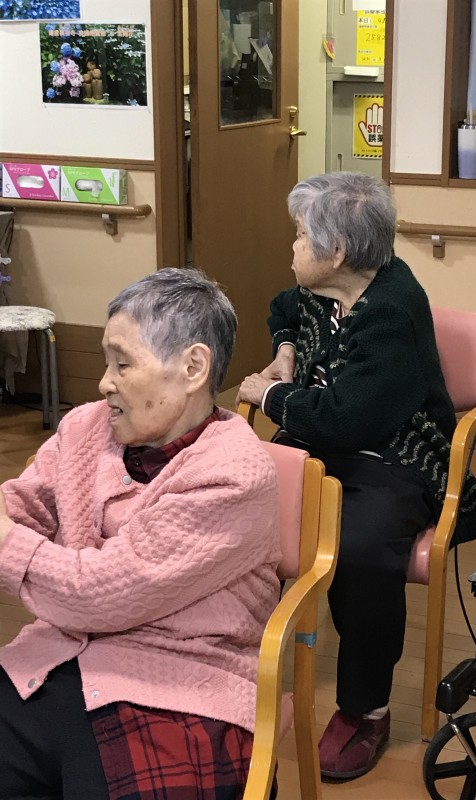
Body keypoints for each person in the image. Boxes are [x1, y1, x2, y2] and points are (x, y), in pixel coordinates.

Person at [237, 172, 476, 781]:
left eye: (301, 236)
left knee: (362, 549)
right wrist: (287, 348)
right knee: (235, 505)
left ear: (337, 251)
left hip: (395, 455)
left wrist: (269, 395)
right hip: (322, 442)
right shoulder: (322, 288)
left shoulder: (392, 310)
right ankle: (235, 667)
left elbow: (347, 420)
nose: (293, 246)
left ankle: (365, 709)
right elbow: (283, 306)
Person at [0, 268, 281, 800]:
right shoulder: (85, 427)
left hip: (180, 687)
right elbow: (22, 506)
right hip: (62, 657)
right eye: (106, 362)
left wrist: (6, 541)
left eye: (122, 363)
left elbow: (95, 594)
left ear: (192, 368)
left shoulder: (233, 473)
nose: (104, 382)